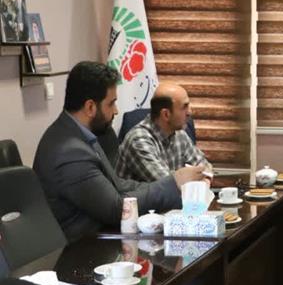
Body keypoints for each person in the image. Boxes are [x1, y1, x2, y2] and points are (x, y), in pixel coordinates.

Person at [33, 61, 206, 242]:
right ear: (90, 107)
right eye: (111, 103)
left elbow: (119, 185)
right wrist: (174, 182)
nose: (116, 111)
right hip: (82, 247)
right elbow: (115, 209)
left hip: (103, 236)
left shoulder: (80, 134)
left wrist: (172, 183)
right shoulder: (70, 152)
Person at [116, 83, 211, 182]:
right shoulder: (138, 140)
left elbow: (205, 166)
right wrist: (197, 179)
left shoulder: (179, 133)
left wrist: (205, 181)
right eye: (184, 107)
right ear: (166, 114)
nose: (189, 112)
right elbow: (167, 184)